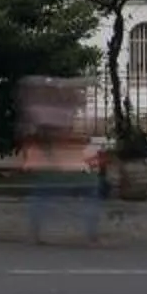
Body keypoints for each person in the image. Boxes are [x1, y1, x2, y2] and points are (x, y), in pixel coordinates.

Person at [18, 75, 105, 245]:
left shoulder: (45, 110)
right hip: (57, 165)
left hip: (52, 165)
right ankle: (91, 235)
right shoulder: (52, 112)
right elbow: (51, 137)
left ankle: (35, 233)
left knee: (42, 197)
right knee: (90, 190)